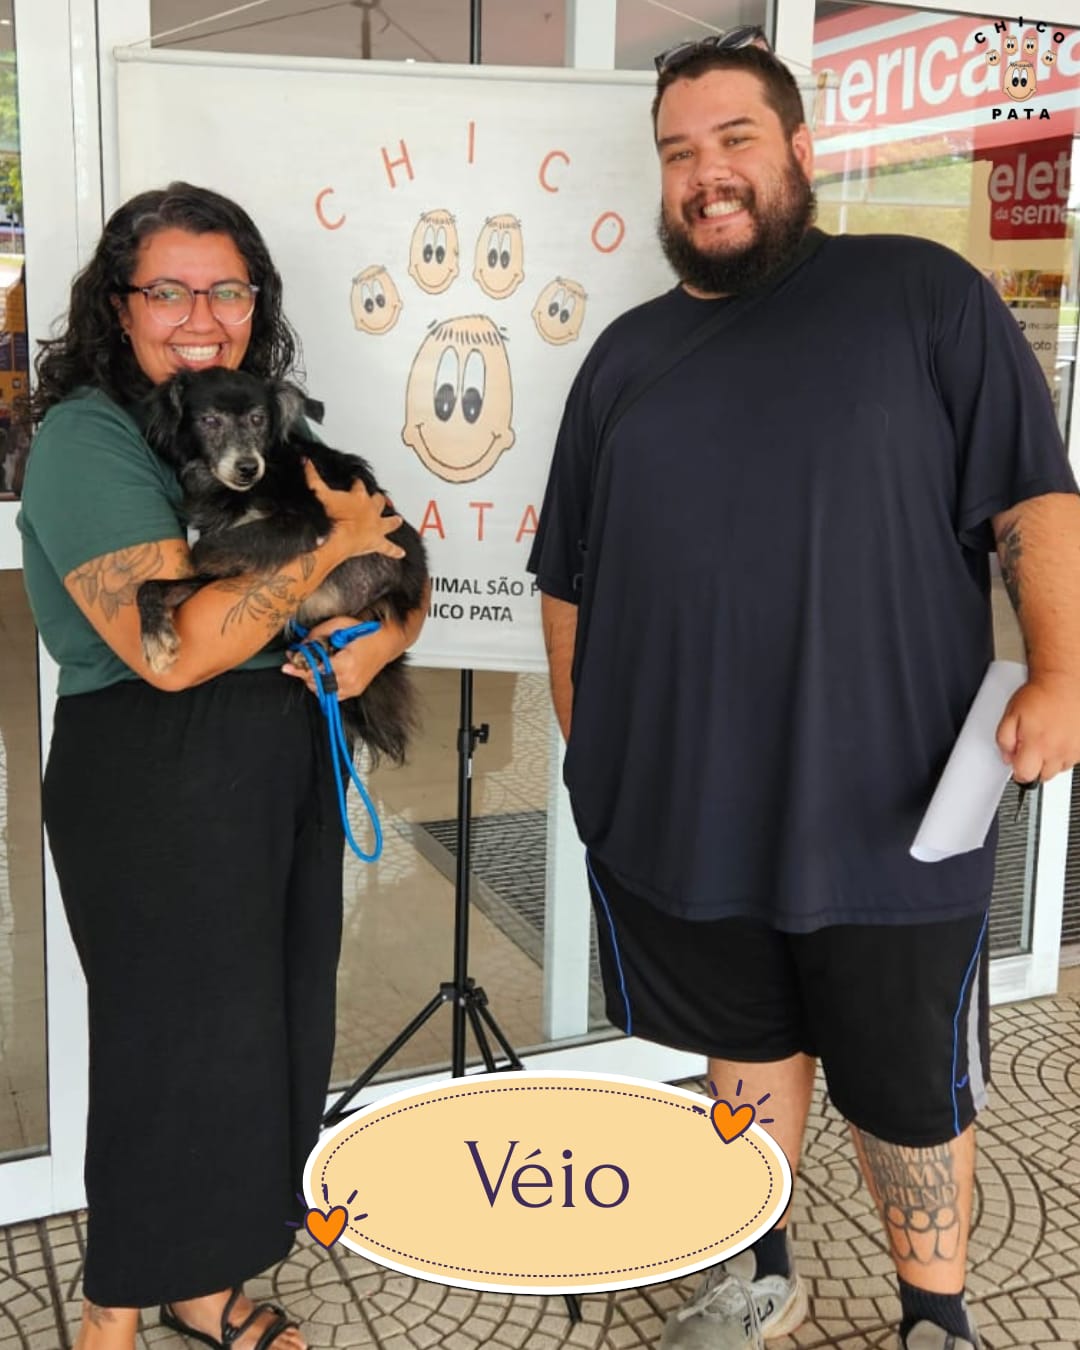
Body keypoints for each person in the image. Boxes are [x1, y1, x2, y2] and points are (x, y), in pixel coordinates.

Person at [528, 35, 1080, 1350]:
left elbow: (1032, 497)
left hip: (895, 816)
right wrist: (595, 752)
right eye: (679, 152)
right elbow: (568, 579)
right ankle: (760, 1270)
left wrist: (1064, 669)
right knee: (741, 1047)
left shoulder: (920, 296)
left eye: (734, 140)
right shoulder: (624, 359)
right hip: (690, 818)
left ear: (800, 149)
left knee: (909, 1091)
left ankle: (934, 1314)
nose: (706, 174)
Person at [18, 182, 427, 1350]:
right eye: (170, 290)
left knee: (265, 1041)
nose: (202, 315)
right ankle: (112, 1312)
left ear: (258, 305)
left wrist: (381, 638)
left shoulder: (267, 428)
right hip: (153, 778)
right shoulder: (89, 438)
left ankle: (201, 1286)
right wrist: (329, 553)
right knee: (169, 1052)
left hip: (277, 761)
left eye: (228, 290)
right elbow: (175, 650)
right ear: (119, 304)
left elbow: (397, 562)